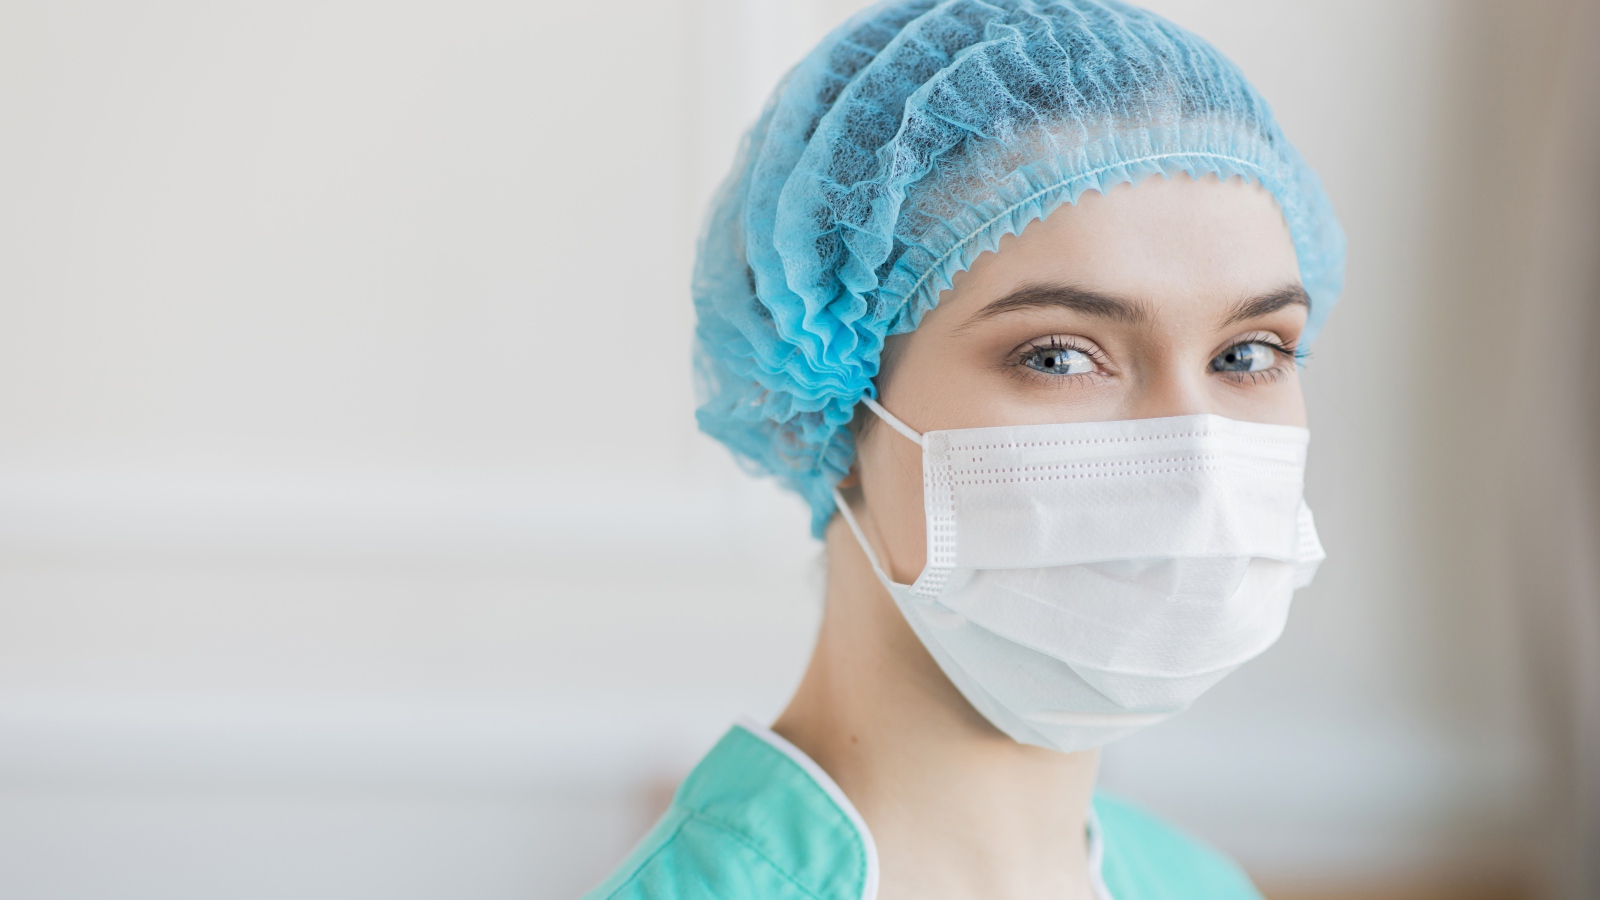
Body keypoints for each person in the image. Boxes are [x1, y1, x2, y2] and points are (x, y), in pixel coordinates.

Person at [588, 1, 1343, 897]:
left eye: (1247, 354)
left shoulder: (1199, 885)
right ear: (828, 396)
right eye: (1060, 356)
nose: (1196, 455)